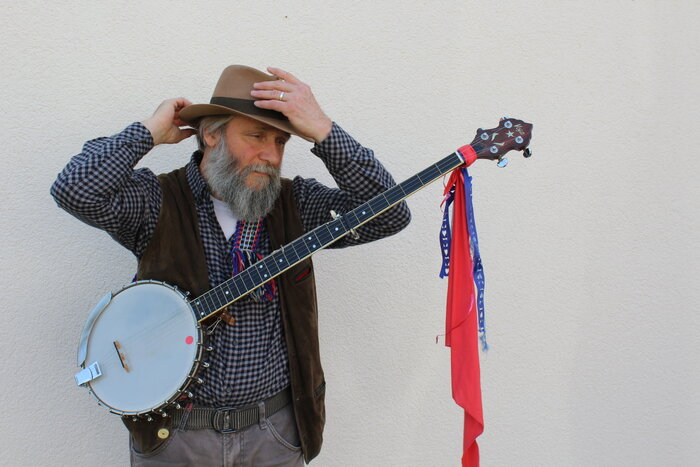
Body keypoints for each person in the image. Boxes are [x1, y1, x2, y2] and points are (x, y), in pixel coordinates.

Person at [51, 64, 411, 466]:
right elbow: (75, 189)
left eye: (280, 141)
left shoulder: (297, 204)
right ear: (211, 134)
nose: (270, 155)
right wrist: (149, 132)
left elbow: (389, 215)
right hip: (175, 440)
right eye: (256, 136)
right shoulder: (157, 201)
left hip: (274, 435)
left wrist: (324, 131)